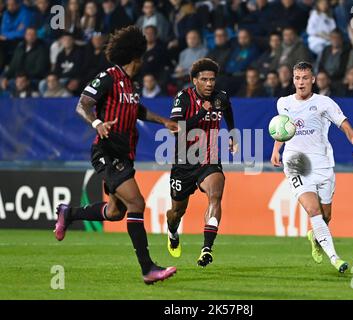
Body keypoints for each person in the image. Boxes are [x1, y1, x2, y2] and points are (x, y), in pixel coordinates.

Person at [54, 26, 178, 285]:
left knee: (115, 212)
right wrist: (97, 123)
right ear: (136, 58)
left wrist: (163, 121)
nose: (143, 61)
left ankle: (70, 213)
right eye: (142, 57)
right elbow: (83, 103)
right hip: (106, 152)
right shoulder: (108, 77)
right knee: (136, 204)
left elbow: (138, 110)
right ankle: (148, 269)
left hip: (124, 154)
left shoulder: (130, 86)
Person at [270, 61, 353, 273]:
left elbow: (346, 126)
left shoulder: (325, 103)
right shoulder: (283, 103)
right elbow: (282, 129)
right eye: (297, 78)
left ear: (313, 79)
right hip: (295, 162)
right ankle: (335, 258)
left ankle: (316, 236)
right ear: (293, 79)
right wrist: (276, 149)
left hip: (322, 163)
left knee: (325, 216)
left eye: (305, 78)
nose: (301, 82)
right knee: (313, 210)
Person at [166, 58, 236, 267]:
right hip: (183, 163)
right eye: (204, 79)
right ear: (194, 80)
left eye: (212, 79)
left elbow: (228, 111)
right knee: (177, 212)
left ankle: (206, 249)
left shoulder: (220, 97)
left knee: (215, 195)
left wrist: (232, 134)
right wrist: (201, 113)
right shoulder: (183, 97)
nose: (209, 84)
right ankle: (172, 231)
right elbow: (175, 127)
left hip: (210, 159)